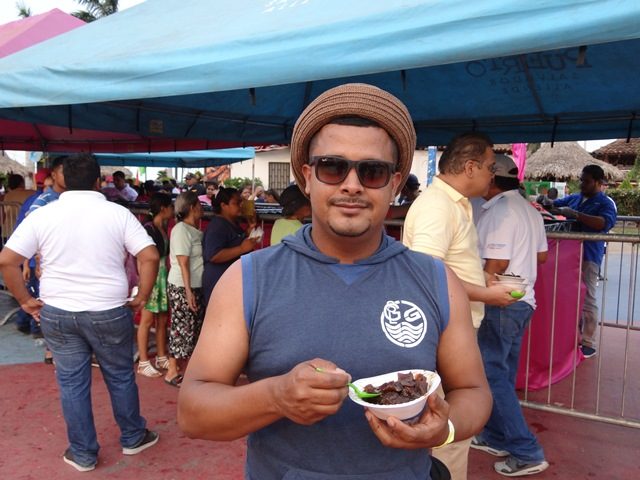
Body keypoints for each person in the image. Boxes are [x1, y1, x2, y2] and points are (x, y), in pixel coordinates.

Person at [178, 83, 492, 479]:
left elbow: (473, 392)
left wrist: (444, 429)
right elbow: (193, 413)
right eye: (332, 167)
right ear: (308, 177)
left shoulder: (436, 280)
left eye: (372, 171)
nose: (352, 185)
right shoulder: (248, 279)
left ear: (395, 184)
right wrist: (275, 396)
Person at [0, 153, 160, 472]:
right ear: (98, 181)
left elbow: (7, 260)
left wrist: (25, 301)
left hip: (58, 311)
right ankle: (133, 436)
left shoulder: (44, 214)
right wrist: (142, 295)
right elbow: (150, 256)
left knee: (72, 383)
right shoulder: (118, 214)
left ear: (61, 180)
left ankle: (83, 453)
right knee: (120, 375)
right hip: (109, 309)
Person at [402, 132, 517, 480]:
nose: (492, 176)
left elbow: (444, 267)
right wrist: (485, 294)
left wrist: (483, 283)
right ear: (469, 167)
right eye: (490, 167)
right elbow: (426, 272)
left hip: (453, 328)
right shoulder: (438, 206)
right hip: (444, 332)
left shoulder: (452, 203)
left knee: (449, 426)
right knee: (447, 428)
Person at [470, 155, 550, 477]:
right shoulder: (529, 209)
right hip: (523, 301)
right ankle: (496, 435)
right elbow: (541, 257)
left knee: (491, 374)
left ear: (492, 178)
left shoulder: (500, 211)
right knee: (501, 373)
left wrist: (476, 291)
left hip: (501, 301)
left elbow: (496, 264)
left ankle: (526, 450)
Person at [551, 165, 617, 358]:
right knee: (568, 296)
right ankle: (570, 335)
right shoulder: (575, 198)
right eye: (581, 180)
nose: (582, 184)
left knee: (588, 297)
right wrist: (547, 203)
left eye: (586, 181)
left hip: (589, 255)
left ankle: (588, 341)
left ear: (598, 182)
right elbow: (555, 205)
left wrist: (577, 215)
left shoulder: (605, 203)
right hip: (567, 255)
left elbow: (603, 223)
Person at [165, 191, 205, 388]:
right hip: (182, 286)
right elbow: (183, 263)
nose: (202, 208)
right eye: (199, 204)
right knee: (181, 327)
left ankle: (186, 369)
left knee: (192, 327)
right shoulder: (181, 230)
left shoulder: (192, 229)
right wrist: (188, 291)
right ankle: (172, 370)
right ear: (191, 207)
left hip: (193, 285)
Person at [136, 193, 174, 378]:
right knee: (147, 319)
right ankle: (143, 362)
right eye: (170, 207)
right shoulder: (148, 228)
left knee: (162, 319)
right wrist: (144, 282)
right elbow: (141, 257)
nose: (173, 210)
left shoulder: (161, 227)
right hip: (152, 276)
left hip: (162, 276)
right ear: (163, 209)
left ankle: (161, 356)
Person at [202, 187, 258, 306]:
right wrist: (242, 249)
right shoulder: (218, 226)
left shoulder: (232, 223)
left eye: (241, 202)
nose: (241, 205)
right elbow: (213, 255)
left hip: (230, 282)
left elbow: (235, 241)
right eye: (236, 203)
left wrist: (250, 229)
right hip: (219, 283)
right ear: (223, 205)